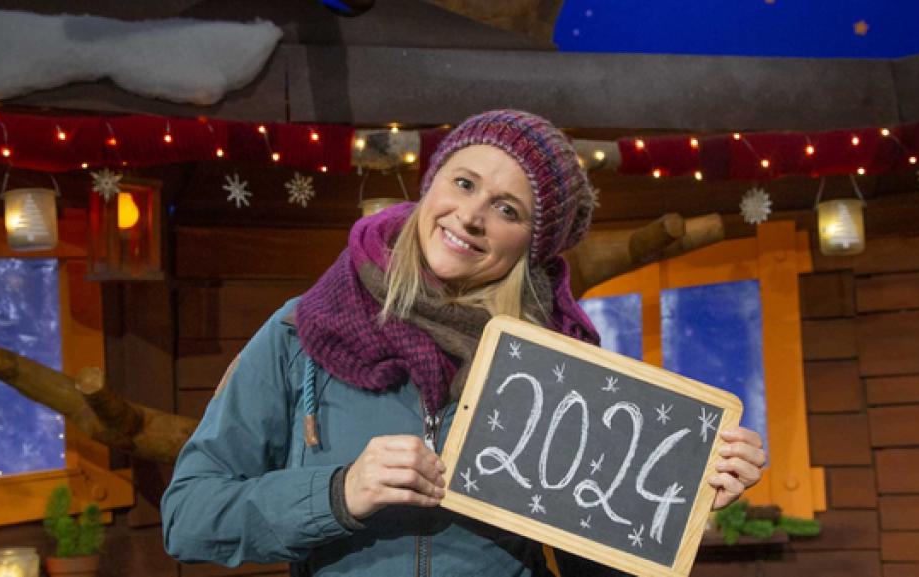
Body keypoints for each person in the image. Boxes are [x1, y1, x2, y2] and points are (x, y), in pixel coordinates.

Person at [161, 110, 766, 576]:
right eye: (464, 182)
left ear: (532, 243)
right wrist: (338, 492)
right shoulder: (301, 331)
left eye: (507, 208)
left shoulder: (561, 368)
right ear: (432, 185)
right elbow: (189, 516)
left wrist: (672, 507)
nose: (471, 216)